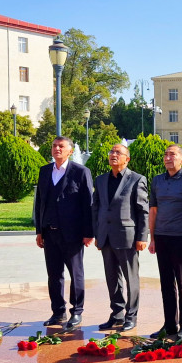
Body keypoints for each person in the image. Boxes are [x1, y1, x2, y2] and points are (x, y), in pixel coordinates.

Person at [34, 136, 94, 329]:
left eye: (61, 146)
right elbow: (39, 202)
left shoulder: (81, 172)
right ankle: (58, 312)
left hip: (73, 234)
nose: (57, 149)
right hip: (49, 233)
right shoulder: (44, 171)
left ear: (70, 150)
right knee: (54, 275)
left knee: (76, 274)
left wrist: (89, 232)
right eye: (54, 146)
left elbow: (88, 204)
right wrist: (39, 230)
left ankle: (76, 312)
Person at [92, 144, 149, 332]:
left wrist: (142, 236)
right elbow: (96, 208)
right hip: (106, 236)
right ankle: (117, 314)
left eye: (118, 152)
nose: (113, 155)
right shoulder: (101, 180)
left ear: (127, 159)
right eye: (111, 152)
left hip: (127, 237)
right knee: (112, 278)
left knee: (131, 278)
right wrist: (97, 234)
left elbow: (143, 211)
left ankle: (131, 316)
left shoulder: (137, 179)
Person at [147, 144, 182, 341]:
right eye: (166, 154)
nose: (168, 158)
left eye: (173, 154)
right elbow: (153, 210)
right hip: (162, 237)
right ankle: (169, 325)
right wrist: (152, 238)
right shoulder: (157, 180)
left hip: (181, 238)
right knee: (166, 283)